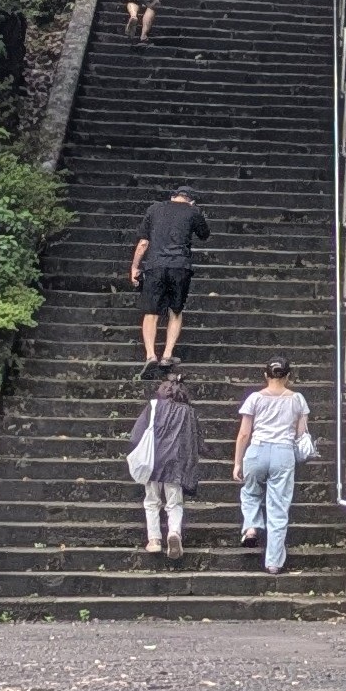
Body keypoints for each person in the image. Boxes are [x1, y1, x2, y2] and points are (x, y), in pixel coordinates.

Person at [233, 358, 309, 575]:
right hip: (283, 453)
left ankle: (251, 527)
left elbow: (244, 433)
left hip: (256, 450)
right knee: (278, 507)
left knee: (249, 492)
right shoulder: (297, 399)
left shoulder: (254, 398)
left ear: (266, 375)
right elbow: (300, 433)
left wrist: (238, 462)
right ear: (288, 376)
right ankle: (273, 562)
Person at [130, 187, 211, 373]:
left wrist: (134, 267)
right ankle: (167, 355)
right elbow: (204, 234)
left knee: (151, 312)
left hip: (155, 265)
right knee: (175, 311)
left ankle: (150, 355)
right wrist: (194, 210)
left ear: (173, 196)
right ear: (191, 200)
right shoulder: (193, 211)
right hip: (180, 266)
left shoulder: (154, 209)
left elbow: (143, 243)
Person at [128, 372, 202, 559]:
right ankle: (174, 533)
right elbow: (195, 440)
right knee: (174, 502)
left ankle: (153, 540)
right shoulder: (188, 412)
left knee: (152, 501)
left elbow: (136, 435)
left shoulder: (153, 406)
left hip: (152, 460)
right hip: (176, 464)